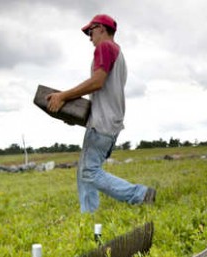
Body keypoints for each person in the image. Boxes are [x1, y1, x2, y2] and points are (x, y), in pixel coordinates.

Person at [46, 14, 155, 213]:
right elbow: (103, 93)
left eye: (90, 31)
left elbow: (97, 82)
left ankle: (139, 194)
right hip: (107, 120)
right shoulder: (117, 53)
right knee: (84, 170)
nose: (89, 37)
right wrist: (74, 113)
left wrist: (63, 96)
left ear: (101, 29)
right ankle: (88, 212)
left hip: (103, 123)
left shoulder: (104, 47)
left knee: (89, 171)